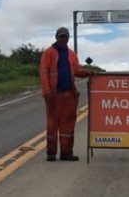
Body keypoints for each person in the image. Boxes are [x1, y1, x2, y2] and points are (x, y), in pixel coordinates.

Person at [39, 26, 92, 162]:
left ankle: (66, 153)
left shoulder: (72, 54)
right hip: (53, 95)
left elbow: (77, 71)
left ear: (68, 38)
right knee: (52, 125)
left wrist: (87, 72)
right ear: (56, 37)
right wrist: (47, 92)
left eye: (65, 36)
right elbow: (44, 73)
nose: (63, 39)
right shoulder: (48, 53)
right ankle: (51, 153)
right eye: (61, 36)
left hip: (69, 95)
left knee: (68, 125)